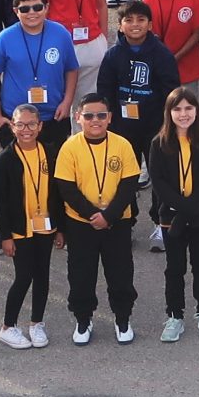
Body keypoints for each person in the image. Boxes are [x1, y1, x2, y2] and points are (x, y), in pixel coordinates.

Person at [55, 92, 142, 345]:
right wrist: (93, 215)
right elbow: (66, 187)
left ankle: (122, 318)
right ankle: (83, 319)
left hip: (117, 222)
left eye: (101, 115)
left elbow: (129, 185)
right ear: (78, 117)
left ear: (110, 118)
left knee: (121, 273)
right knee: (81, 274)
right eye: (89, 115)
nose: (96, 120)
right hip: (81, 224)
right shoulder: (69, 147)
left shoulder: (122, 145)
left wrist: (109, 216)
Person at [149, 88, 199, 342]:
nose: (183, 114)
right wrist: (181, 211)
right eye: (177, 109)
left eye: (188, 108)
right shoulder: (159, 144)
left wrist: (189, 210)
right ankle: (174, 315)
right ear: (169, 113)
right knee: (174, 267)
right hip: (170, 217)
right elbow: (158, 183)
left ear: (197, 111)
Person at [0, 0, 80, 159]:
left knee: (53, 174)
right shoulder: (3, 39)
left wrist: (67, 102)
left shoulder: (61, 34)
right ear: (16, 11)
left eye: (37, 7)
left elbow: (72, 69)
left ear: (46, 7)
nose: (32, 13)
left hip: (53, 118)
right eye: (24, 8)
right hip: (16, 121)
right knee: (17, 174)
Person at [0, 103, 58, 350]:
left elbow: (57, 194)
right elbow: (1, 204)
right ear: (12, 126)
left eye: (31, 124)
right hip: (20, 229)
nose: (26, 129)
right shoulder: (5, 160)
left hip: (46, 226)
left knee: (43, 275)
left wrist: (60, 228)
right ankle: (8, 326)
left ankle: (36, 323)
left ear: (40, 126)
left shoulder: (50, 153)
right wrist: (5, 236)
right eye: (20, 124)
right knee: (24, 276)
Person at [98, 1, 181, 166]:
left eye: (141, 19)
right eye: (128, 20)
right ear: (120, 26)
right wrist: (109, 120)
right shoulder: (112, 55)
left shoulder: (162, 54)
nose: (135, 24)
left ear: (150, 25)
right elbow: (105, 89)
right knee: (124, 174)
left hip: (155, 126)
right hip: (122, 126)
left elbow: (171, 91)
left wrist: (167, 123)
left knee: (160, 172)